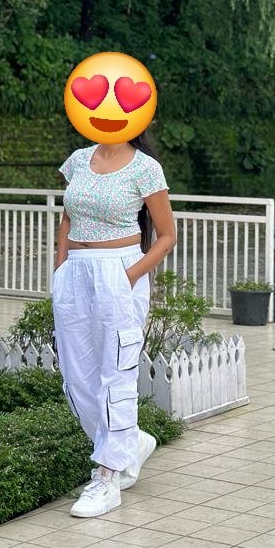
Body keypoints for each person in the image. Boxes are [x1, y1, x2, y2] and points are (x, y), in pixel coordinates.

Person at [52, 132, 177, 518]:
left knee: (115, 376)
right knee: (76, 379)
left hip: (119, 271)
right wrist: (60, 268)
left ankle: (107, 479)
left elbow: (167, 235)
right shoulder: (79, 159)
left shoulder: (145, 168)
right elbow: (68, 217)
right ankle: (130, 442)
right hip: (76, 273)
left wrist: (129, 276)